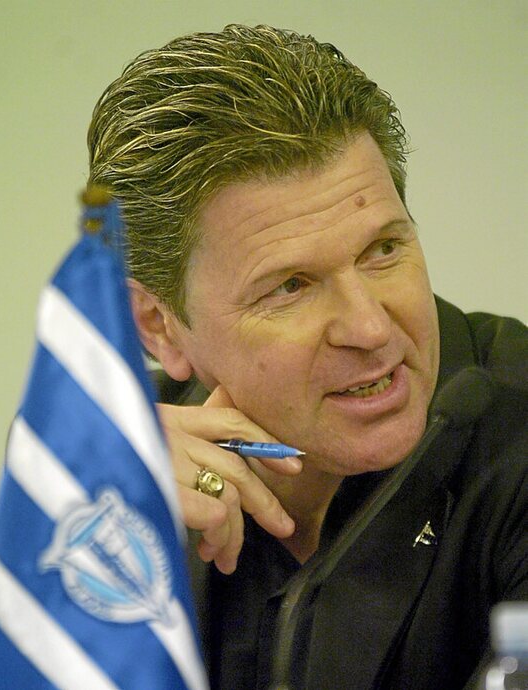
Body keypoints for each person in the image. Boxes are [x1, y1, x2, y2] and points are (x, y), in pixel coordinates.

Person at [87, 24, 527, 690]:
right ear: (159, 328)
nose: (370, 327)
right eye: (290, 286)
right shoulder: (121, 467)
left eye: (382, 250)